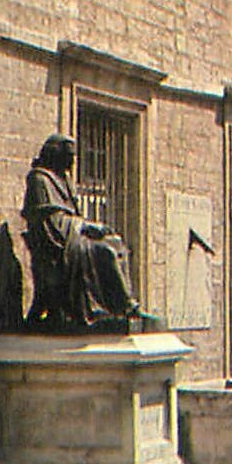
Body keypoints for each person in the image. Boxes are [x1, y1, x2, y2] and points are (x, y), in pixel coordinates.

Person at [20, 133, 145, 332]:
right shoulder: (39, 179)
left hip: (71, 236)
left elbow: (70, 215)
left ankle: (121, 306)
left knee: (116, 243)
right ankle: (123, 306)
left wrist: (87, 226)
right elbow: (50, 220)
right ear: (55, 154)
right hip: (57, 244)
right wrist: (84, 227)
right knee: (105, 253)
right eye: (69, 155)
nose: (72, 160)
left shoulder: (64, 180)